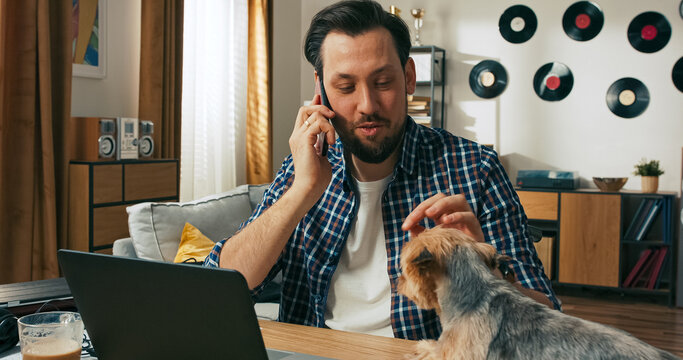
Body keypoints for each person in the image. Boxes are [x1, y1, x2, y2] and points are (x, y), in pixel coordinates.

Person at [205, 0, 559, 340]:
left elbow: (546, 320)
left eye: (383, 82)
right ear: (320, 90)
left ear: (408, 76)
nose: (367, 105)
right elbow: (221, 285)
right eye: (345, 87)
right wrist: (302, 191)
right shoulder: (303, 166)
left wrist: (486, 268)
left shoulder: (474, 169)